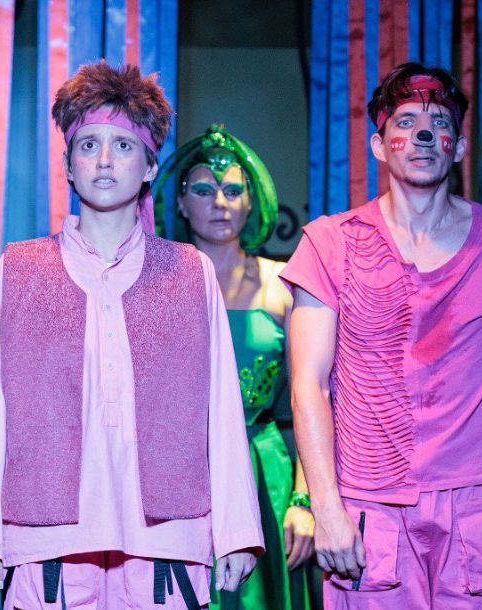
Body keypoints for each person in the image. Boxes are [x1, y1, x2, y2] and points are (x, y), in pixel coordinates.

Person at [0, 61, 264, 610]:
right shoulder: (21, 268)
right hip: (47, 541)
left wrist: (237, 529)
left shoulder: (189, 271)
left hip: (166, 540)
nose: (104, 160)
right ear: (68, 166)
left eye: (123, 146)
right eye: (88, 145)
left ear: (150, 166)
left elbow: (220, 408)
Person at [280, 62, 482, 609]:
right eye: (406, 122)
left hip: (479, 509)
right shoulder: (330, 243)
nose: (424, 135)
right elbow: (308, 385)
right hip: (370, 510)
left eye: (439, 124)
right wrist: (325, 506)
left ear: (458, 147)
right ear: (379, 146)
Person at [155, 124, 313, 610]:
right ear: (181, 204)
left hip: (262, 471)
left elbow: (312, 399)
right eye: (203, 190)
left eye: (232, 190)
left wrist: (303, 501)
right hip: (178, 474)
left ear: (251, 201)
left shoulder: (285, 287)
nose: (219, 202)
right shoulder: (153, 288)